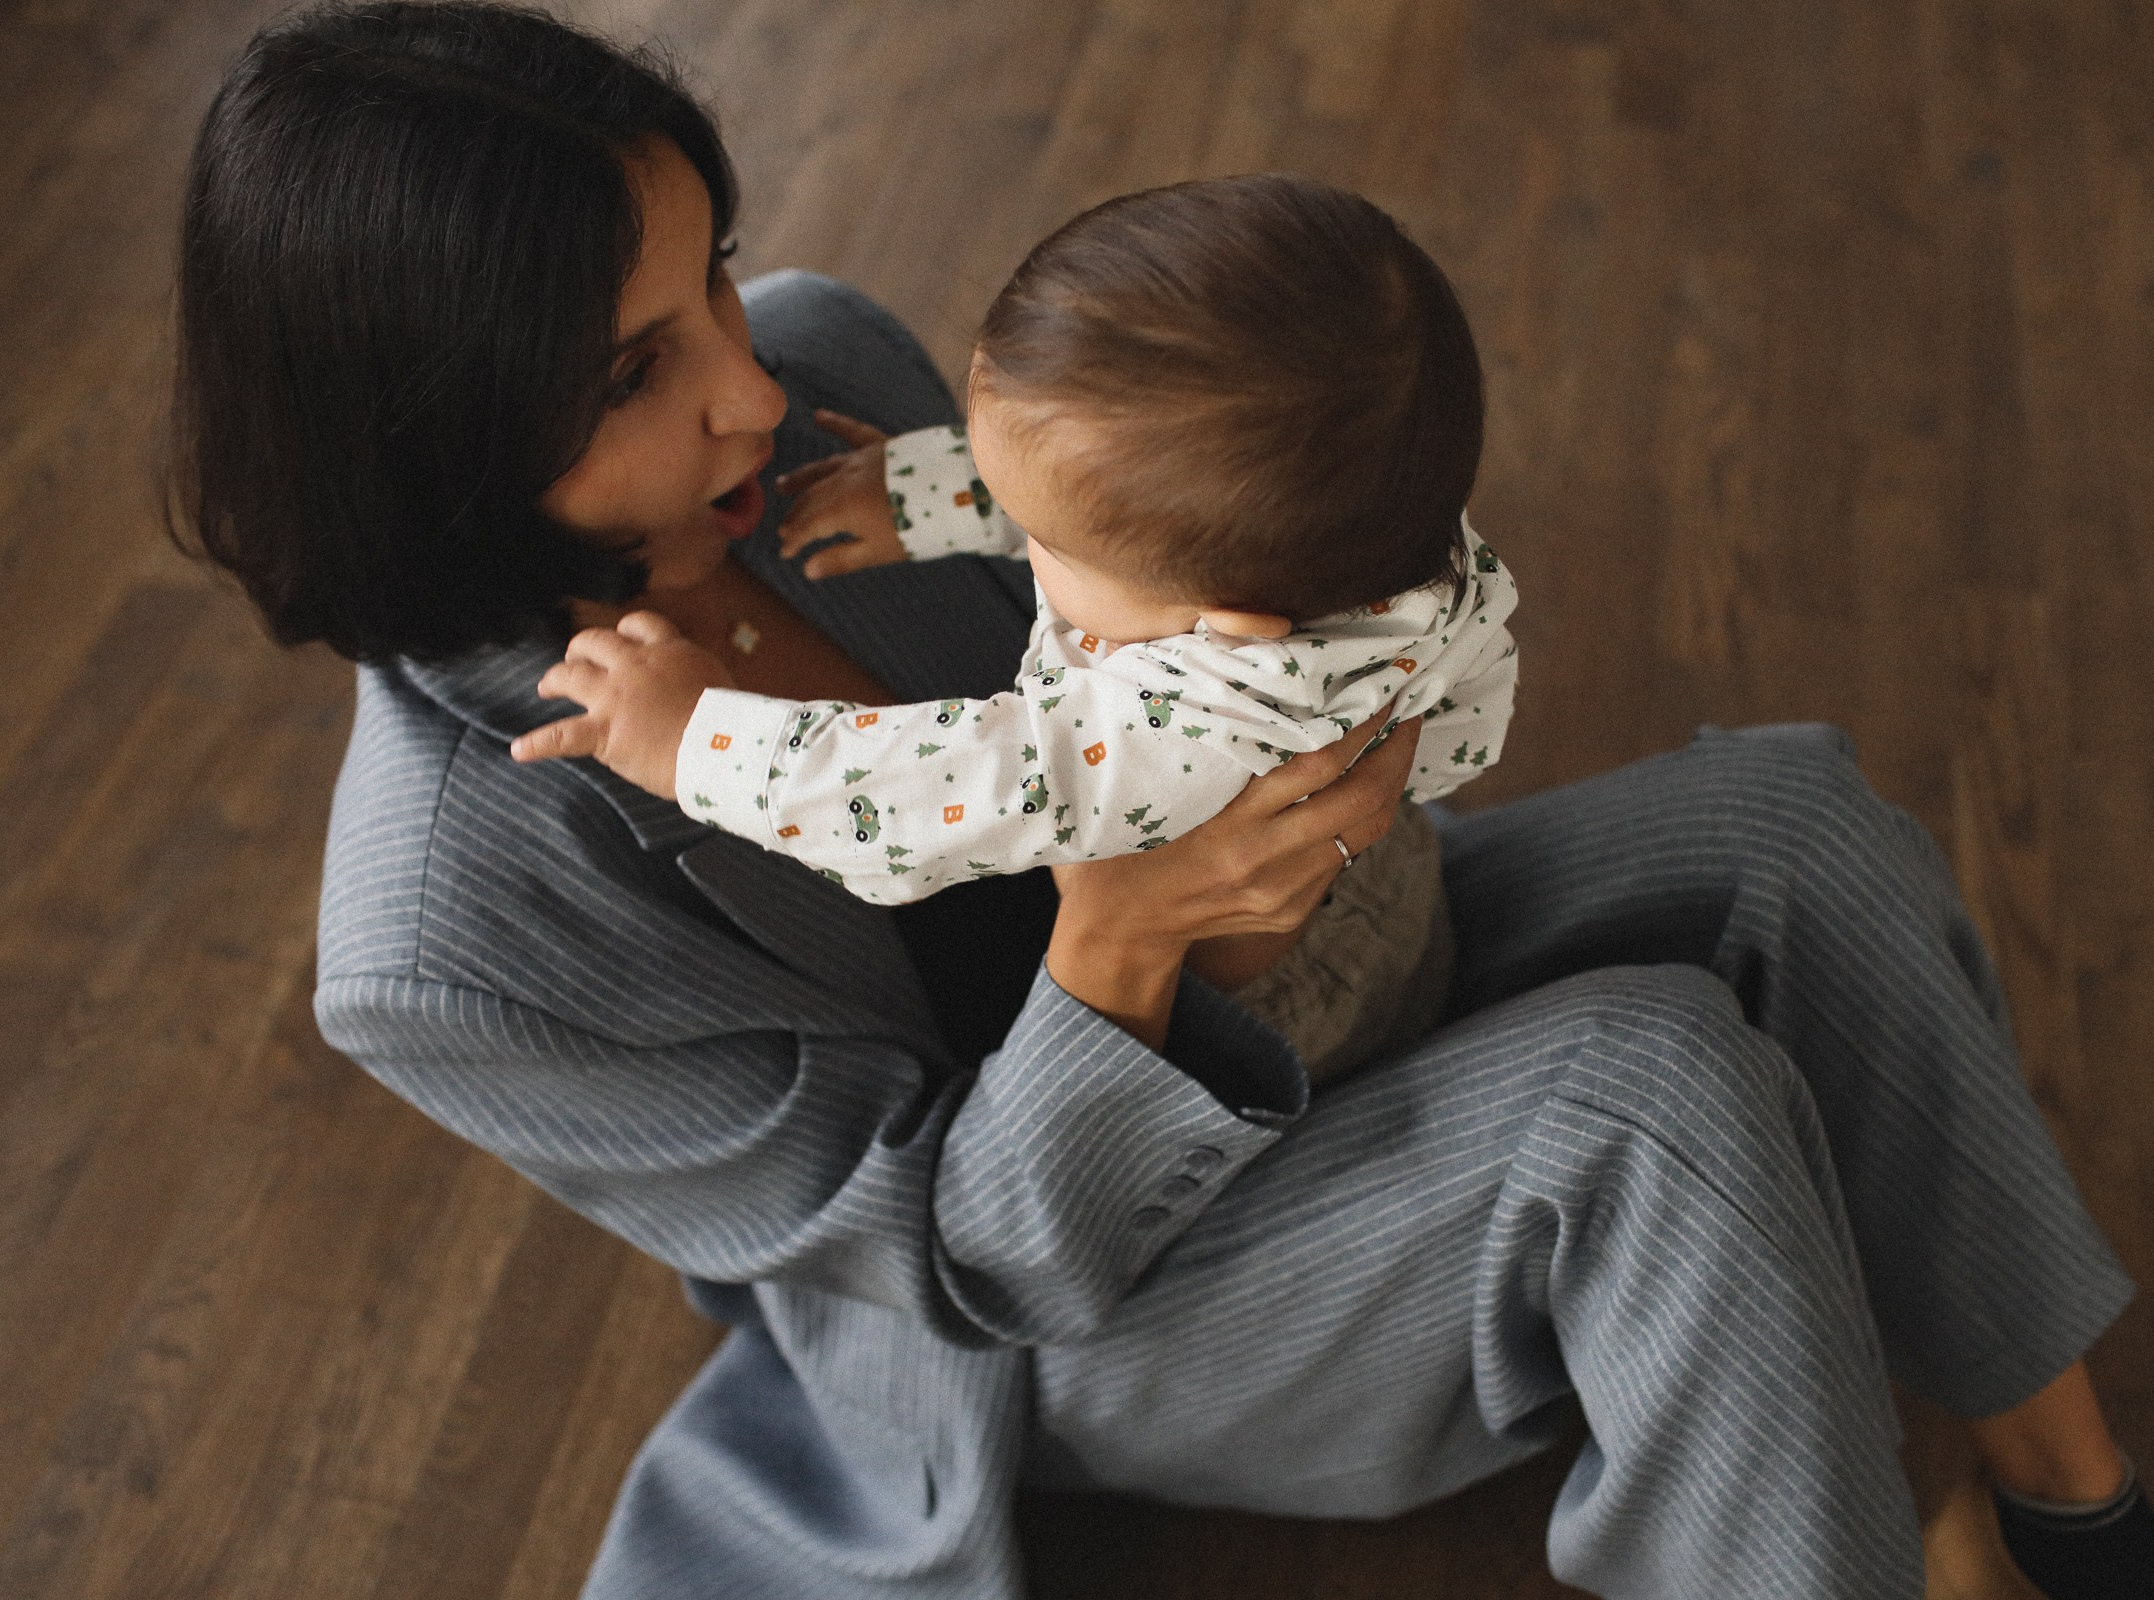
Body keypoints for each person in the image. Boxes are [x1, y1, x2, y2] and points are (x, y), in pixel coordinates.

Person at [167, 4, 2154, 1598]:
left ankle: (2072, 1512)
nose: (743, 380)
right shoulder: (441, 930)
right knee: (1649, 1086)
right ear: (432, 455)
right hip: (1057, 1289)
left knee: (1795, 819)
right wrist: (1127, 939)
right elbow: (950, 1269)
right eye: (633, 372)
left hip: (1306, 960)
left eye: (717, 275)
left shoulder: (822, 380)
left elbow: (1162, 577)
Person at [513, 174, 1520, 1080]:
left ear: (1226, 627)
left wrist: (695, 737)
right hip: (1388, 868)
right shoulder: (1373, 540)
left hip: (1306, 1004)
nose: (1024, 538)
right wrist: (920, 493)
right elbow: (1127, 508)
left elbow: (913, 806)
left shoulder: (1181, 720)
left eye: (1038, 537)